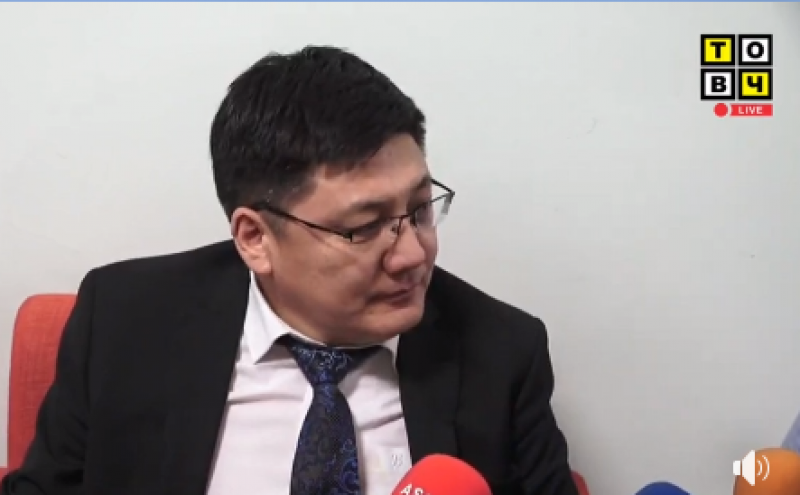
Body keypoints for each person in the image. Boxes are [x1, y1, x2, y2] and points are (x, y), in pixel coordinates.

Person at [1, 46, 579, 495]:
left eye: (421, 209)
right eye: (363, 227)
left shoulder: (502, 351)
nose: (412, 254)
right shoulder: (125, 320)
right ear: (255, 238)